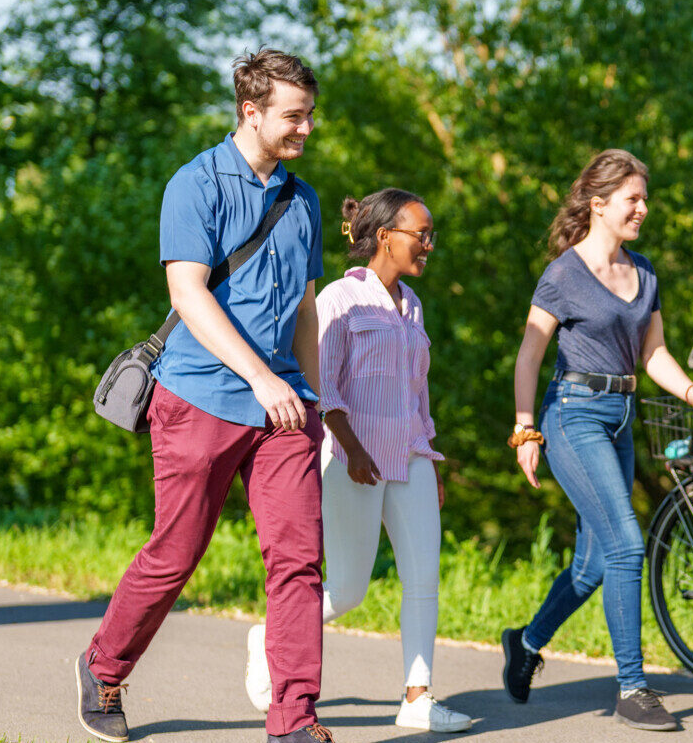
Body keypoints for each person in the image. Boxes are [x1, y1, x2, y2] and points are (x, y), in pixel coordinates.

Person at [74, 48, 336, 743]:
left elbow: (306, 310)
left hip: (286, 408)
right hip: (200, 399)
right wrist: (261, 376)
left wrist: (321, 401)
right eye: (294, 116)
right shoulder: (196, 184)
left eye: (310, 115)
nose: (306, 129)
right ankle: (103, 667)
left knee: (298, 562)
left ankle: (293, 722)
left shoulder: (302, 197)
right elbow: (187, 293)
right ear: (250, 111)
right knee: (176, 553)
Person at [501, 149, 693, 733]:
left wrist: (691, 393)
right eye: (633, 199)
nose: (643, 209)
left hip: (622, 416)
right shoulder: (563, 276)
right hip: (572, 414)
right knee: (628, 544)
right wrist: (525, 427)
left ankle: (525, 644)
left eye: (644, 199)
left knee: (596, 562)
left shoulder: (644, 272)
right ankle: (632, 687)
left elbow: (653, 353)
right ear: (598, 205)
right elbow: (530, 354)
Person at [243, 188, 471, 733]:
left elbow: (418, 393)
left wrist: (431, 457)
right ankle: (267, 637)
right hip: (352, 457)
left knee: (424, 577)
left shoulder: (412, 305)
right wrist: (349, 446)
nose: (429, 245)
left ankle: (417, 699)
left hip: (411, 455)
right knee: (347, 590)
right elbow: (324, 385)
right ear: (386, 235)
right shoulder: (338, 301)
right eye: (422, 234)